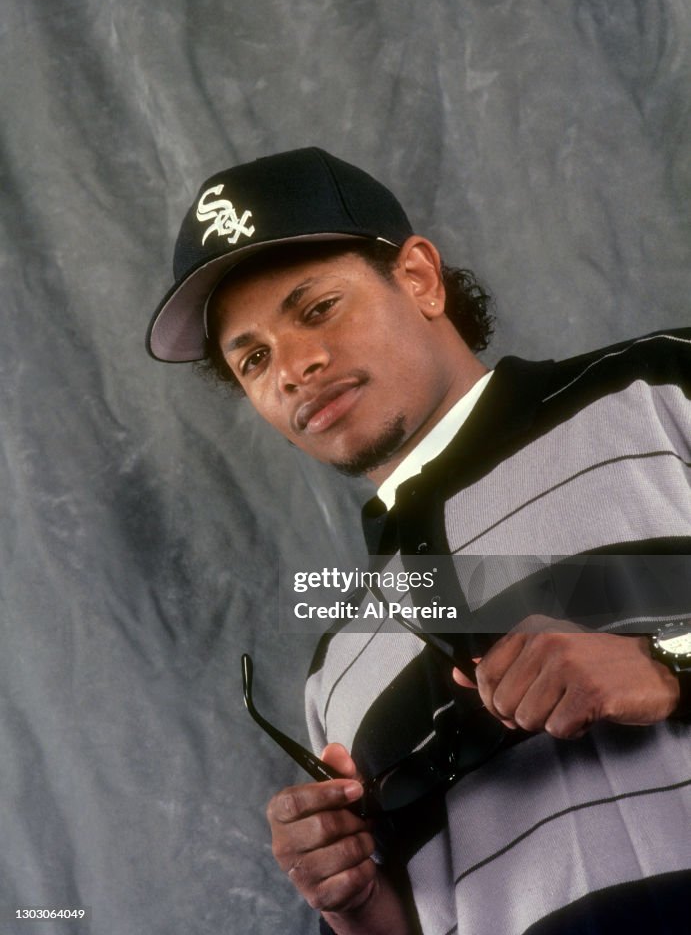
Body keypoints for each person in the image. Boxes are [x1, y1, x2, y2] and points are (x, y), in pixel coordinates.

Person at [147, 148, 691, 935]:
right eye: (254, 358)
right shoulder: (336, 678)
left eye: (316, 308)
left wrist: (668, 663)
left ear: (418, 279)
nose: (294, 368)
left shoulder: (660, 390)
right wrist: (359, 905)